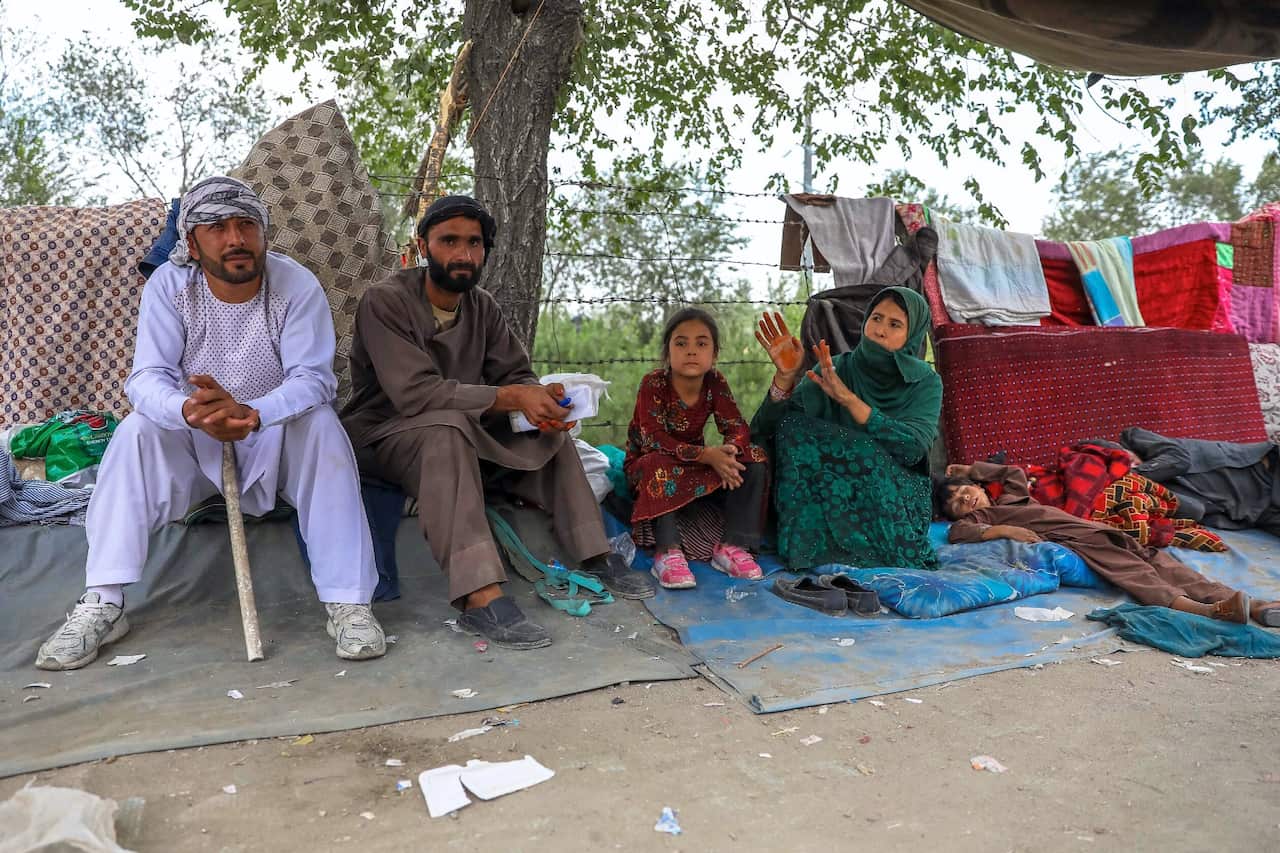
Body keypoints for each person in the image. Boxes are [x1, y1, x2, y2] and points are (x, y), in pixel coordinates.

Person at [35, 176, 386, 671]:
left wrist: (253, 413)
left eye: (246, 226)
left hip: (271, 435)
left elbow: (314, 379)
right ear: (192, 244)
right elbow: (146, 379)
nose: (235, 239)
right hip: (194, 444)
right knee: (136, 431)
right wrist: (192, 412)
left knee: (323, 425)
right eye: (217, 227)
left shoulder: (295, 283)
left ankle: (349, 602)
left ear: (263, 234)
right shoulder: (170, 286)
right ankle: (103, 602)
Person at [341, 195, 654, 650]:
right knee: (445, 433)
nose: (463, 254)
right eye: (449, 241)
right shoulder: (384, 301)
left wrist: (542, 402)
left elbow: (515, 375)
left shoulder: (482, 306)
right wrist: (512, 397)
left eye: (474, 243)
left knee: (549, 434)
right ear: (424, 245)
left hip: (461, 427)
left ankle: (594, 551)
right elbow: (416, 394)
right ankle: (479, 595)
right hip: (387, 433)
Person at [936, 462, 1280, 627]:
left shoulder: (1013, 498)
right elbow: (958, 534)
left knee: (1171, 567)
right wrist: (1003, 532)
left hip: (1102, 532)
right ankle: (1208, 612)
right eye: (957, 503)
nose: (965, 499)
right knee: (1140, 576)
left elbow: (1012, 472)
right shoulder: (987, 520)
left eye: (967, 490)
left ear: (981, 487)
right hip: (1080, 543)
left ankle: (1256, 607)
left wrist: (971, 468)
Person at [750, 287, 942, 570]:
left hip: (897, 499)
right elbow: (766, 431)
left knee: (866, 452)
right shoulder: (837, 369)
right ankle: (809, 548)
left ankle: (875, 549)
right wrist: (785, 378)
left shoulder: (925, 381)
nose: (880, 330)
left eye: (895, 324)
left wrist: (850, 401)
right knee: (794, 427)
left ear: (911, 334)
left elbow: (913, 449)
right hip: (833, 496)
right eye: (876, 318)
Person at [624, 308, 770, 588]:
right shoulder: (653, 384)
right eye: (681, 343)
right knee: (657, 462)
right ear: (667, 352)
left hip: (692, 464)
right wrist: (707, 455)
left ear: (714, 354)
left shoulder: (715, 382)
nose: (691, 351)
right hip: (649, 467)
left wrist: (728, 451)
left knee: (754, 456)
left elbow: (737, 426)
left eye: (701, 343)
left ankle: (733, 545)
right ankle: (668, 552)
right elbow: (653, 439)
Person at [1120, 427, 1280, 537]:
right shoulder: (1138, 495)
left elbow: (1178, 459)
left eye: (1122, 458)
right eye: (1118, 468)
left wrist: (1131, 477)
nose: (1130, 466)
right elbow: (1195, 509)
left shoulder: (1133, 437)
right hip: (1257, 511)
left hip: (1264, 469)